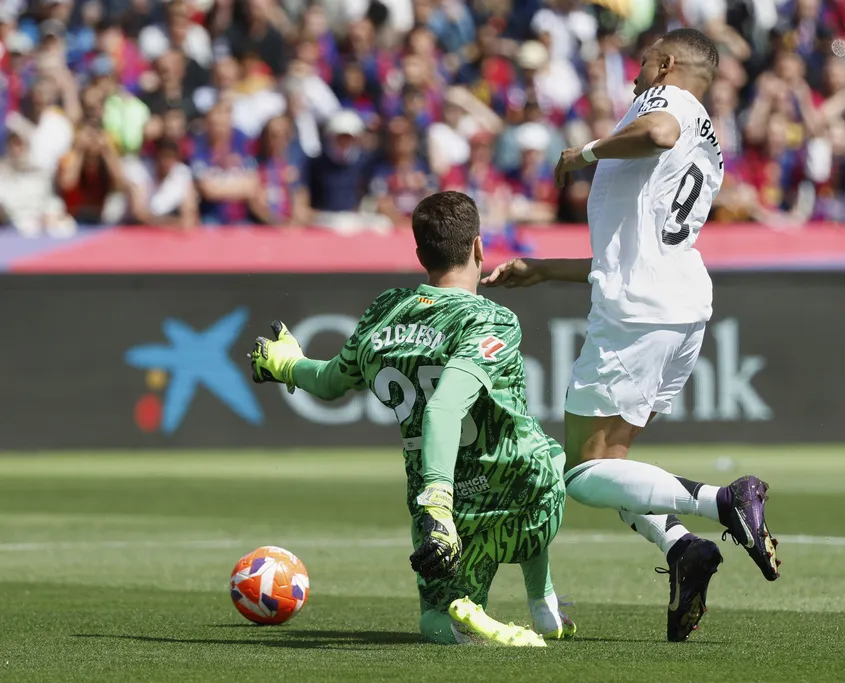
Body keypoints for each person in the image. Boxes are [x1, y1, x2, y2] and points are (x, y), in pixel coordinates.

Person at [483, 28, 780, 642]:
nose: (637, 76)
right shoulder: (711, 143)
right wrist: (545, 269)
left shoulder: (664, 104)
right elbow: (633, 248)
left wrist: (584, 153)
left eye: (643, 64)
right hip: (679, 304)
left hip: (638, 311)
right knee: (612, 464)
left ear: (666, 64)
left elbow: (658, 131)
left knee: (581, 473)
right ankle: (683, 549)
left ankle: (723, 501)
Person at [248, 191, 573, 646]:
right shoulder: (492, 320)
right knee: (547, 454)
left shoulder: (385, 311)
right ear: (479, 247)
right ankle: (542, 601)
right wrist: (440, 502)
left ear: (420, 255)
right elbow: (443, 407)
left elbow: (329, 382)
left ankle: (486, 617)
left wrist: (286, 365)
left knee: (435, 621)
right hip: (517, 495)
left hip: (447, 511)